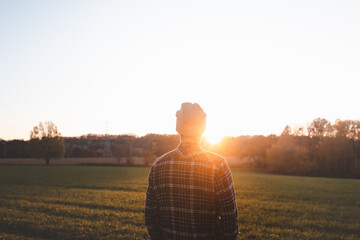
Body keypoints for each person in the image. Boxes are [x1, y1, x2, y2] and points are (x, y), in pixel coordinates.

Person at [145, 102, 238, 240]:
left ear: (178, 128)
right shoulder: (218, 165)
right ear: (203, 129)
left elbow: (151, 216)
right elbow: (230, 221)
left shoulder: (158, 165)